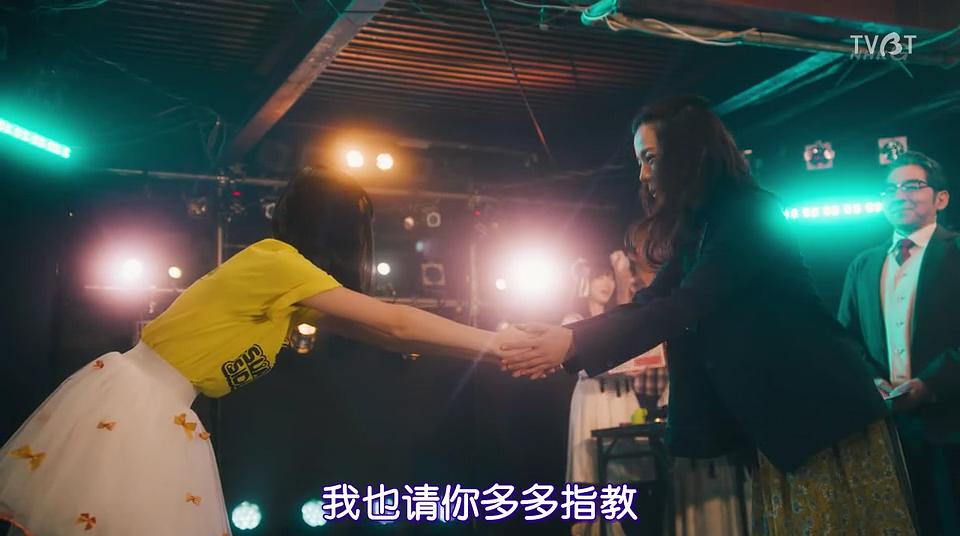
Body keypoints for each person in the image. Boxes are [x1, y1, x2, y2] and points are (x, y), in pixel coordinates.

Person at [0, 168, 530, 535]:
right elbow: (396, 321)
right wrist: (499, 342)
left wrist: (495, 350)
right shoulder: (278, 263)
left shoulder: (289, 290)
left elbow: (389, 334)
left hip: (159, 405)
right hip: (141, 402)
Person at [501, 95, 917, 534]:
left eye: (649, 158)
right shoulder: (702, 228)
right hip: (784, 420)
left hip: (823, 415)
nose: (642, 175)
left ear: (690, 153)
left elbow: (683, 306)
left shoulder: (750, 213)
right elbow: (649, 303)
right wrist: (571, 338)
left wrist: (572, 341)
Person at [838, 151, 960, 536]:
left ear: (941, 198)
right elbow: (845, 338)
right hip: (890, 425)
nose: (899, 195)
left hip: (953, 417)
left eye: (912, 185)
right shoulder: (864, 264)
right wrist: (872, 381)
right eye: (890, 189)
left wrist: (930, 384)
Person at [565, 255, 647, 536]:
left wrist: (638, 364)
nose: (606, 283)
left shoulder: (618, 317)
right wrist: (622, 364)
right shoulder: (574, 319)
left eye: (610, 277)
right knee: (588, 475)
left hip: (622, 398)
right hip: (593, 399)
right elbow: (581, 362)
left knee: (624, 477)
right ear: (585, 281)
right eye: (600, 276)